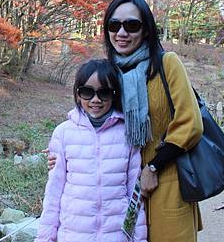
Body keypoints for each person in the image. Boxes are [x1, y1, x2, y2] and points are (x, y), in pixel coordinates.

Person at [47, 0, 204, 242]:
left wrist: (153, 166)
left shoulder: (167, 64)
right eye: (114, 25)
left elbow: (190, 123)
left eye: (131, 25)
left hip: (166, 181)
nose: (122, 32)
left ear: (146, 30)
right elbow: (96, 118)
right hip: (119, 191)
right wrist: (66, 156)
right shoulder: (110, 72)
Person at [36, 58, 146, 242]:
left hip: (115, 235)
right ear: (78, 94)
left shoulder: (128, 133)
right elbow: (54, 192)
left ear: (114, 94)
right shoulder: (64, 133)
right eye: (87, 92)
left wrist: (140, 239)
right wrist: (44, 238)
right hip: (73, 234)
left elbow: (135, 194)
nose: (96, 99)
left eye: (104, 92)